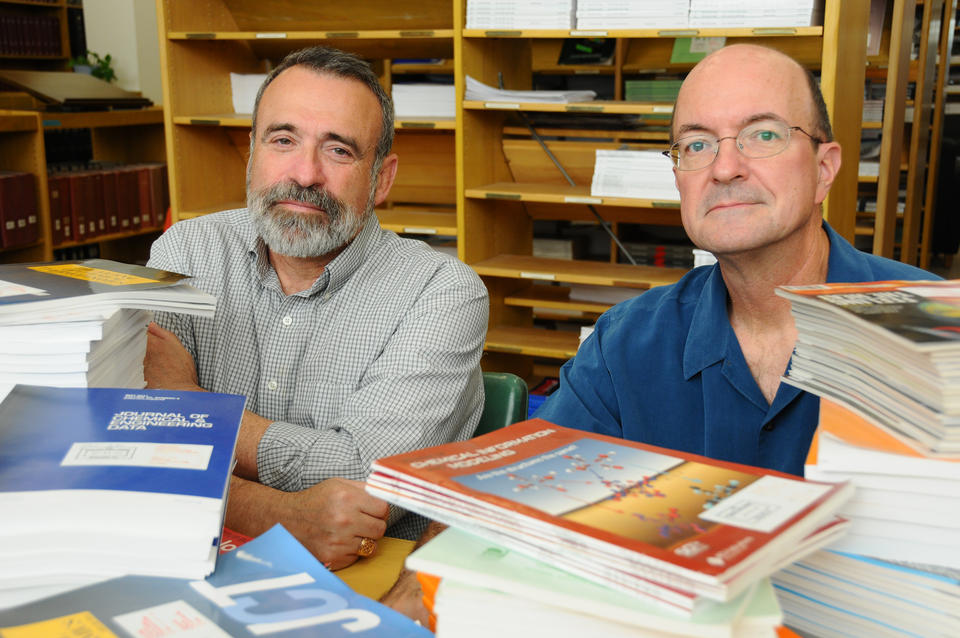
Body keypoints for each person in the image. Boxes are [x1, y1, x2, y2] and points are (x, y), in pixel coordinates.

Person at [144, 46, 488, 572]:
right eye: (283, 140)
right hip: (187, 550)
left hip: (364, 577)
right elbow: (137, 441)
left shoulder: (442, 292)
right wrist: (273, 511)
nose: (305, 174)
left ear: (382, 179)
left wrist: (189, 405)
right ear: (252, 152)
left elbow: (361, 480)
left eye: (339, 151)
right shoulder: (184, 254)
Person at [534, 44, 938, 475]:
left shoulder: (935, 333)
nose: (725, 168)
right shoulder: (622, 346)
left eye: (763, 135)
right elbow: (532, 494)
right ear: (678, 179)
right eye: (696, 144)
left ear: (824, 168)